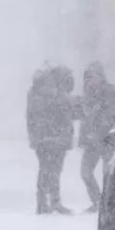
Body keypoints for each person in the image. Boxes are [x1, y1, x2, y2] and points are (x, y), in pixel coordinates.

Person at [26, 63, 76, 215]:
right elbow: (49, 113)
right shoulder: (45, 93)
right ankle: (44, 204)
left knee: (53, 171)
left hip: (53, 138)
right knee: (48, 171)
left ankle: (52, 202)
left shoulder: (47, 92)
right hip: (49, 138)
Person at [78, 61, 115, 212]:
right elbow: (84, 118)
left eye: (92, 77)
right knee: (85, 173)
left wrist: (104, 110)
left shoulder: (110, 90)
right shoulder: (87, 94)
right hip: (91, 141)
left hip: (107, 139)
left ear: (100, 76)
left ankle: (108, 203)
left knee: (108, 173)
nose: (89, 80)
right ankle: (97, 201)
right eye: (87, 78)